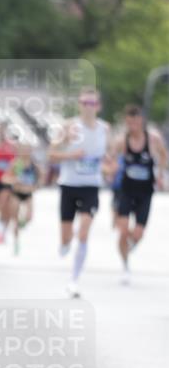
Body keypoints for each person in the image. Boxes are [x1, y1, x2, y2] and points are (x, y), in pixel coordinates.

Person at [48, 87, 109, 298]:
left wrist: (109, 166)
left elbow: (108, 157)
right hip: (69, 186)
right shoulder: (68, 126)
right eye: (84, 103)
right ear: (79, 105)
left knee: (83, 232)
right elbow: (51, 155)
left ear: (98, 106)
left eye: (92, 103)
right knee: (67, 238)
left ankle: (73, 280)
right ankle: (64, 242)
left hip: (91, 187)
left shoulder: (105, 129)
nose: (88, 107)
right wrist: (71, 153)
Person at [107, 104, 167, 285]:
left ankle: (128, 249)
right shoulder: (122, 140)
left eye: (135, 123)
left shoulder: (153, 139)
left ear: (141, 121)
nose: (132, 127)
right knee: (123, 231)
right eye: (129, 123)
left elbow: (164, 156)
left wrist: (160, 175)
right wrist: (111, 169)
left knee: (138, 234)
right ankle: (125, 266)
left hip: (145, 192)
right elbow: (110, 158)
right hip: (126, 191)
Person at [3, 144, 42, 255]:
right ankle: (16, 242)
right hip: (16, 194)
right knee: (15, 219)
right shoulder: (15, 164)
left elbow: (40, 181)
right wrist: (14, 180)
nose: (25, 152)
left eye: (27, 150)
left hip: (28, 194)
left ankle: (20, 226)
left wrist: (36, 186)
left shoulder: (34, 165)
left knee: (29, 217)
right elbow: (4, 178)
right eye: (23, 150)